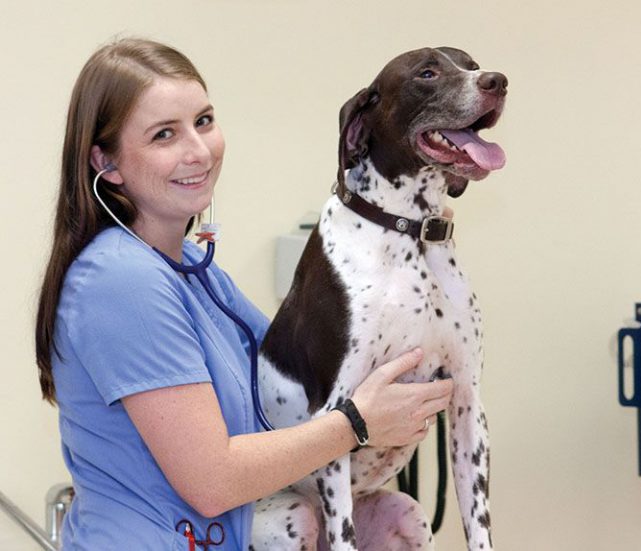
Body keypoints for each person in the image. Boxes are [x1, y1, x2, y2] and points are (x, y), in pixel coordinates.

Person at [35, 38, 454, 550]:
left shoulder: (194, 268)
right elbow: (212, 481)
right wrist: (359, 422)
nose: (198, 150)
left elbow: (281, 403)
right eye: (164, 134)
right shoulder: (119, 280)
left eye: (204, 121)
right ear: (108, 162)